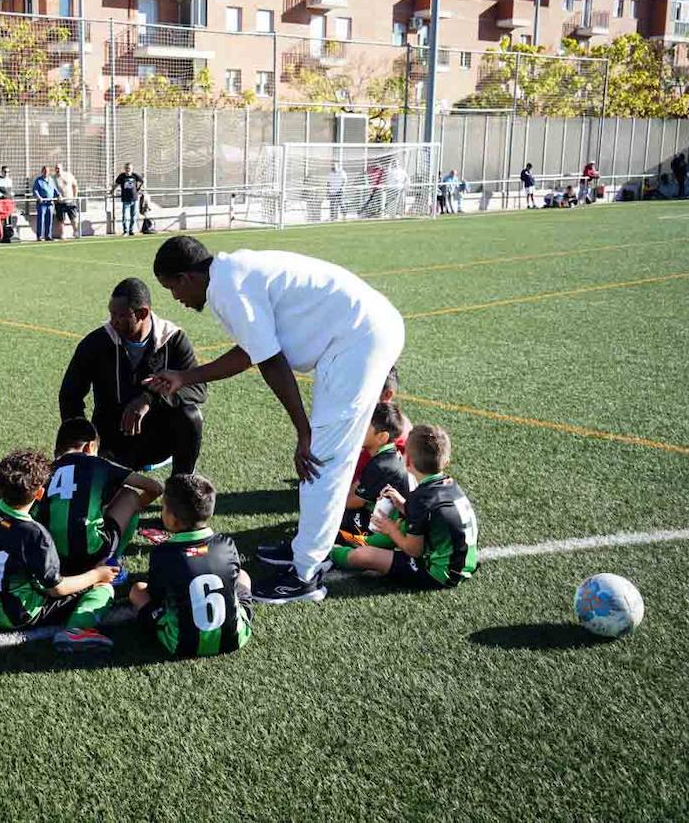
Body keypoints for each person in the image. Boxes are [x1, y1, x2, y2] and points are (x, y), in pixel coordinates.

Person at [145, 236, 404, 605]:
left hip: (360, 337)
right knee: (322, 455)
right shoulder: (229, 276)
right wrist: (185, 377)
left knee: (321, 458)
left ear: (187, 277)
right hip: (357, 333)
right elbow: (251, 350)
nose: (175, 299)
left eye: (172, 287)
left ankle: (306, 574)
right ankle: (308, 546)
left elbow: (270, 361)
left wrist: (303, 432)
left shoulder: (228, 287)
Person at [0, 449, 119, 653]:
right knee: (103, 587)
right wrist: (96, 574)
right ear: (40, 493)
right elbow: (56, 589)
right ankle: (76, 630)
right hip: (19, 615)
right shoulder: (34, 534)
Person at [59, 278, 206, 474]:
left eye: (120, 316)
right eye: (111, 314)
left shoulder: (173, 338)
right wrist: (82, 442)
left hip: (158, 435)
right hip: (112, 439)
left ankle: (181, 484)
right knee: (105, 497)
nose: (113, 321)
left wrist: (149, 399)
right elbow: (70, 395)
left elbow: (198, 389)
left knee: (191, 415)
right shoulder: (96, 342)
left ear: (142, 313)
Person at [331, 424, 478, 590]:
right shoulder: (449, 484)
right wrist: (401, 503)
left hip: (437, 573)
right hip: (461, 564)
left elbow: (414, 550)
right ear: (445, 462)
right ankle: (360, 541)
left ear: (407, 461)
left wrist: (390, 530)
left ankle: (328, 550)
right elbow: (429, 515)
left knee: (365, 556)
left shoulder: (421, 499)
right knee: (397, 521)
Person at [128, 473, 253, 659]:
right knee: (243, 575)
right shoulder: (226, 543)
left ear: (173, 519)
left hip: (180, 644)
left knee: (137, 590)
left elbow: (157, 596)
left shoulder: (163, 553)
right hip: (234, 639)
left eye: (163, 507)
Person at [36, 417, 164, 577]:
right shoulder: (101, 464)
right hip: (93, 554)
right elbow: (155, 488)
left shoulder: (44, 470)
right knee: (129, 495)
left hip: (50, 554)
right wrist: (129, 511)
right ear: (90, 447)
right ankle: (111, 561)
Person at [336, 402, 411, 542]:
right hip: (385, 519)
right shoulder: (385, 456)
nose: (358, 428)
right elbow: (357, 488)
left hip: (390, 532)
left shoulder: (380, 465)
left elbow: (353, 502)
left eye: (364, 426)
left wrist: (329, 503)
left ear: (382, 437)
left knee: (331, 521)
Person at [110, 162, 144, 236]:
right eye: (126, 168)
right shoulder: (122, 176)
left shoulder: (135, 175)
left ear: (131, 169)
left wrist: (138, 189)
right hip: (125, 199)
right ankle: (125, 231)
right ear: (124, 169)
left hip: (134, 199)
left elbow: (142, 181)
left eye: (129, 168)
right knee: (125, 216)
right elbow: (116, 184)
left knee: (133, 216)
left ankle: (131, 230)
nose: (127, 170)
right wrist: (112, 190)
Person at [31, 165, 60, 242]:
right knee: (41, 220)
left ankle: (48, 236)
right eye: (44, 171)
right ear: (42, 171)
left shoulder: (51, 180)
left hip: (50, 203)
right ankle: (39, 236)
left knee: (49, 220)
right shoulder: (38, 180)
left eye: (47, 171)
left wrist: (59, 195)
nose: (46, 172)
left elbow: (55, 189)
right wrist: (38, 197)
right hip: (42, 204)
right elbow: (35, 190)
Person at [53, 163, 79, 238]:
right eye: (56, 168)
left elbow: (75, 185)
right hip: (59, 202)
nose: (57, 170)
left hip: (69, 201)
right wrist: (55, 199)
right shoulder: (53, 178)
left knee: (73, 218)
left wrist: (75, 197)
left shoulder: (68, 175)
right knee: (60, 220)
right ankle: (62, 234)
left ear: (62, 168)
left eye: (58, 168)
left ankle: (76, 232)